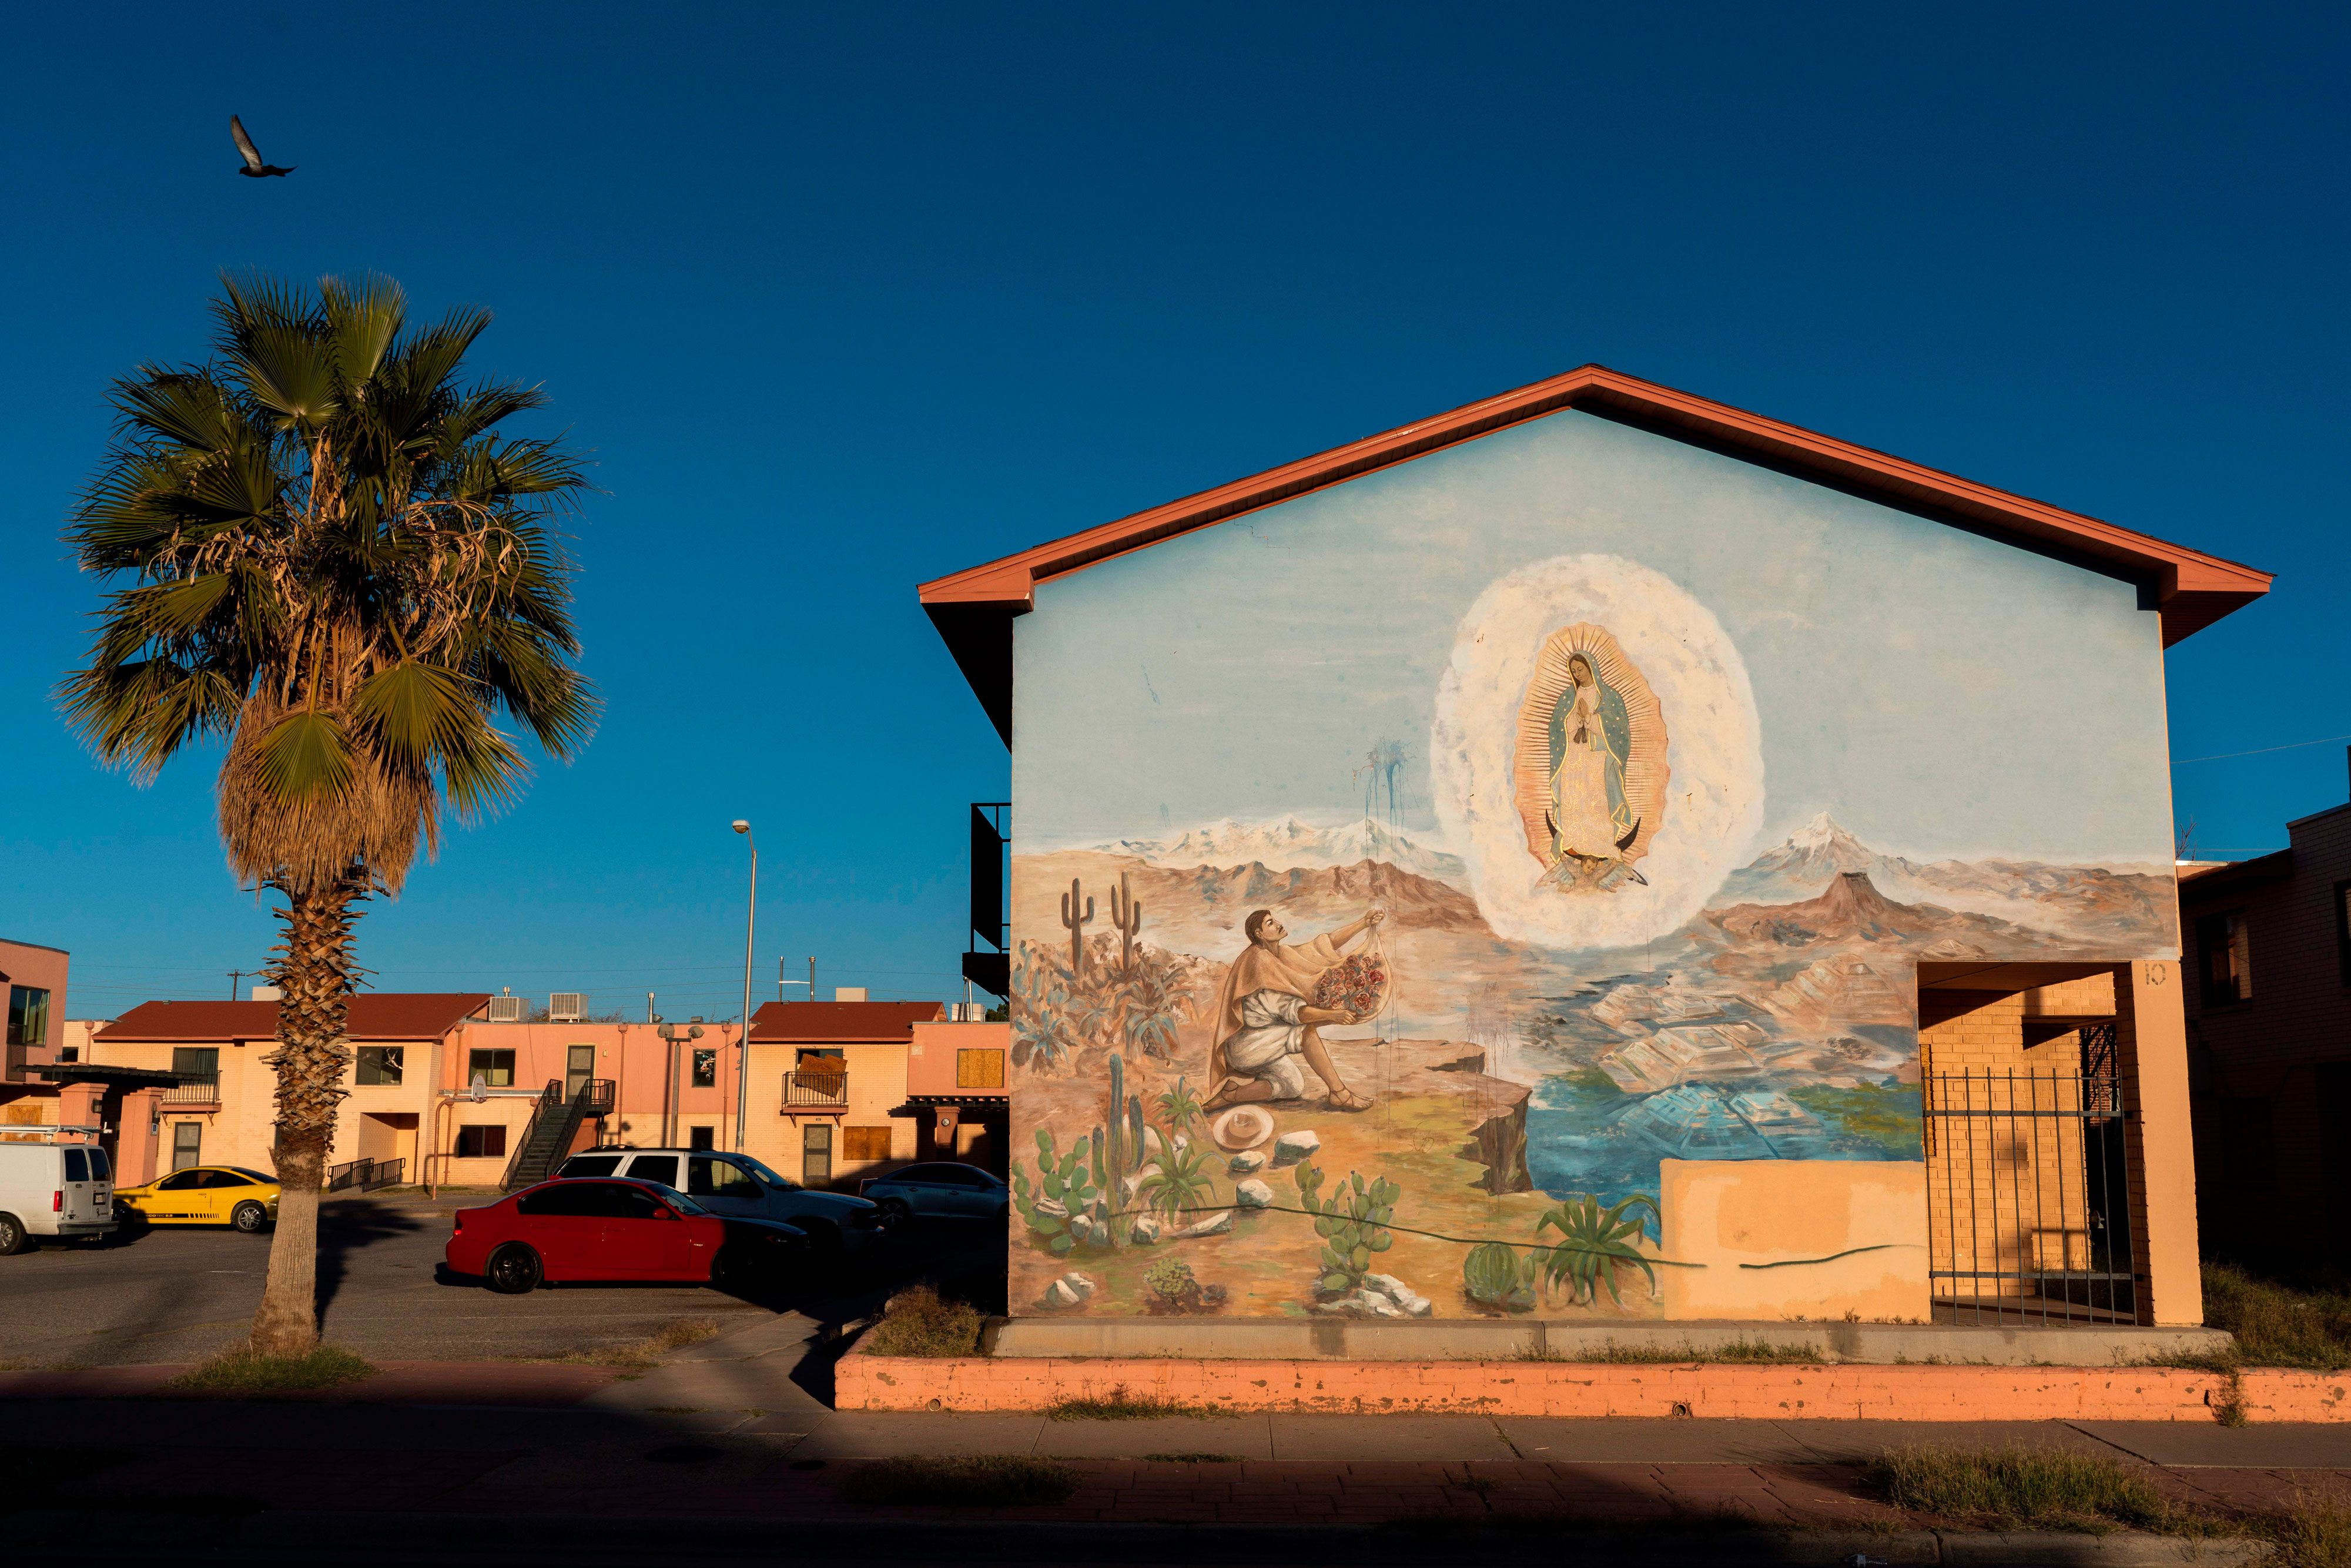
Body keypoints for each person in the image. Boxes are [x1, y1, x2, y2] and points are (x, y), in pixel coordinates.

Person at [1203, 907, 1385, 1113]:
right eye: (1270, 923)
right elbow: (1296, 1014)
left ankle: (1231, 1094)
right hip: (1247, 1045)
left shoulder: (1281, 955)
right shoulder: (1258, 963)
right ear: (1259, 934)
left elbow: (1324, 946)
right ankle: (1340, 1094)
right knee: (1305, 1031)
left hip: (1267, 1039)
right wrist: (1333, 1014)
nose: (1279, 923)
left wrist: (1364, 922)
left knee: (1292, 1085)